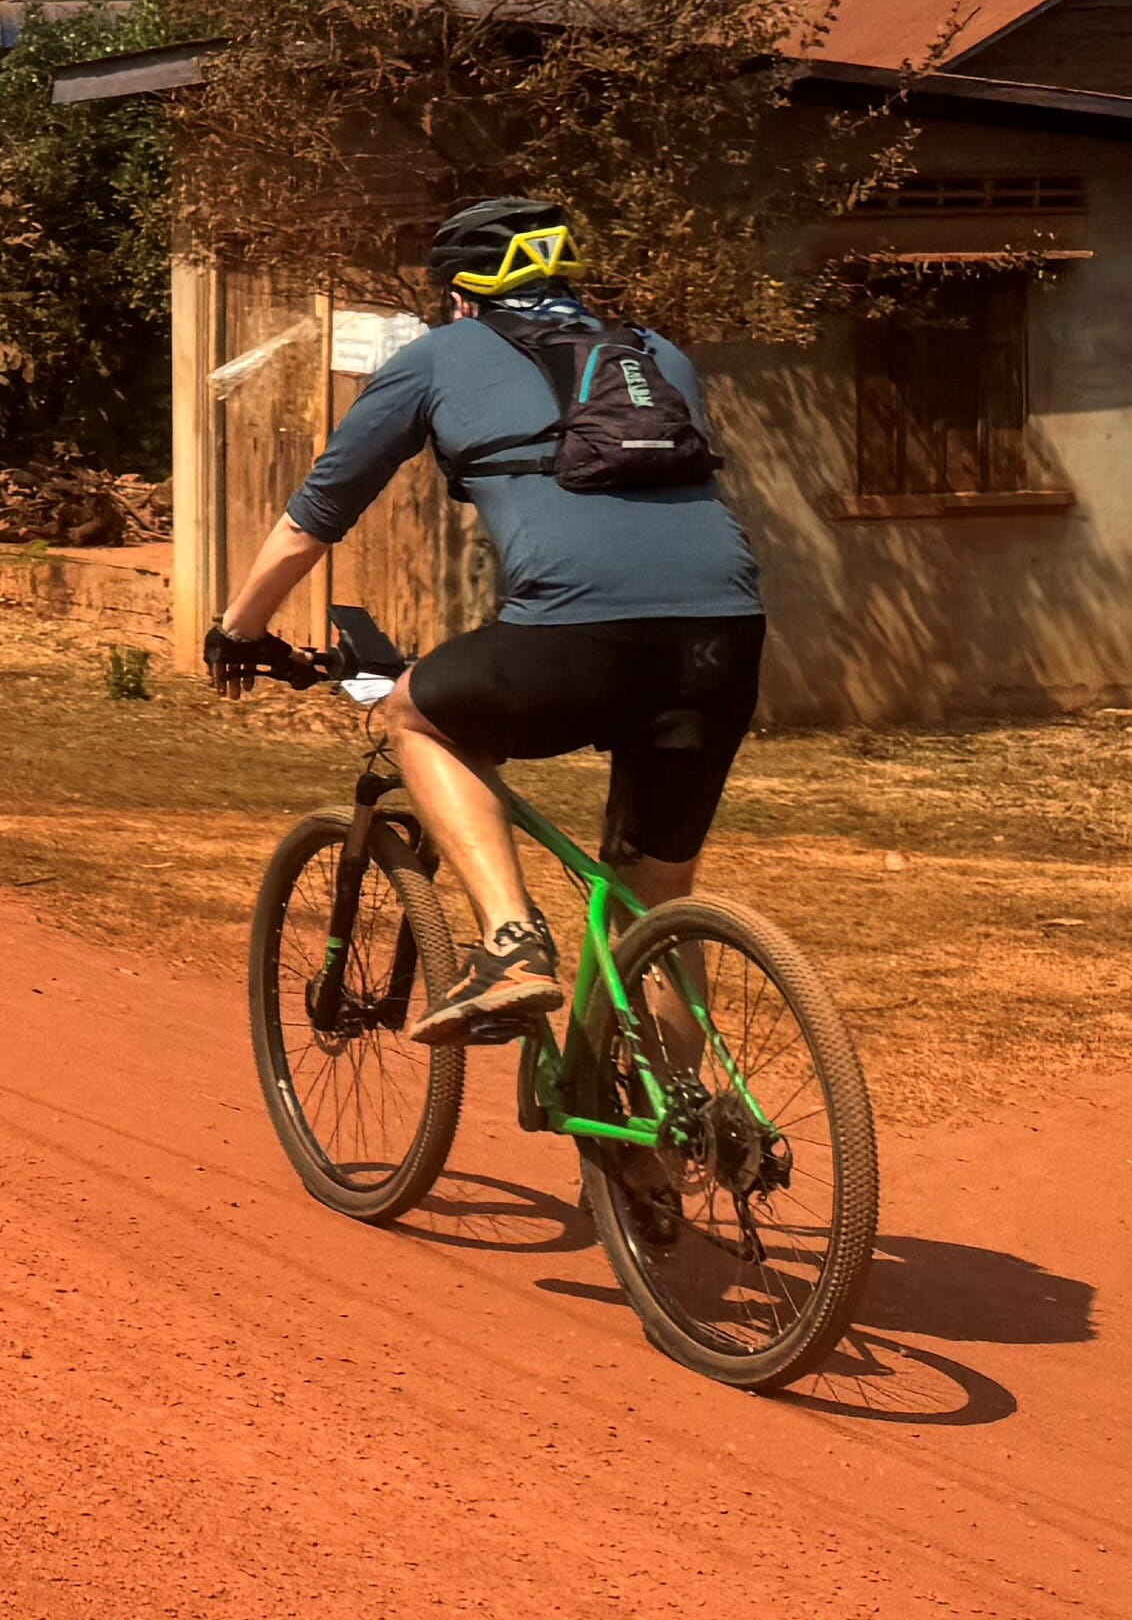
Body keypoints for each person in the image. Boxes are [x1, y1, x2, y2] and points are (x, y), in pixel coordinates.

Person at [205, 196, 764, 1037]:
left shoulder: (438, 356)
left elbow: (313, 517)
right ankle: (679, 1137)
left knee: (415, 714)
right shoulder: (656, 355)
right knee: (653, 909)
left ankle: (509, 944)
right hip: (727, 635)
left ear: (460, 294)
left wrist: (239, 629)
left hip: (573, 636)